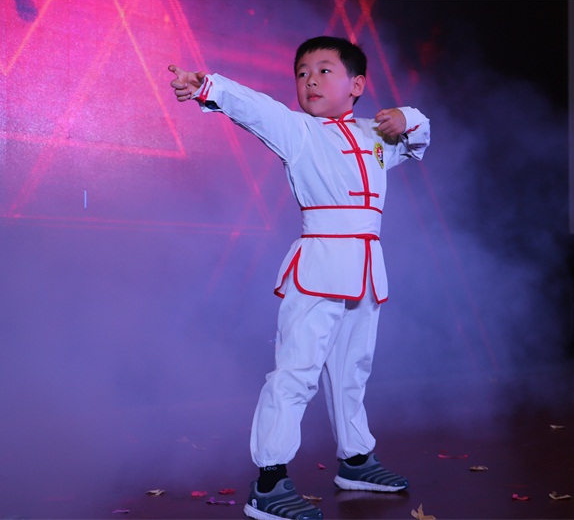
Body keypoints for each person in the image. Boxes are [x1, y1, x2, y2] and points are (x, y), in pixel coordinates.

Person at [169, 35, 430, 520]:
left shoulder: (377, 136)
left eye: (324, 70)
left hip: (366, 272)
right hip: (318, 271)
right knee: (296, 374)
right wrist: (207, 86)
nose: (310, 79)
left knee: (352, 371)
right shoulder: (299, 131)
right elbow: (256, 108)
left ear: (357, 85)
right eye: (302, 72)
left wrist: (406, 117)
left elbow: (419, 139)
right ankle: (269, 482)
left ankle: (356, 460)